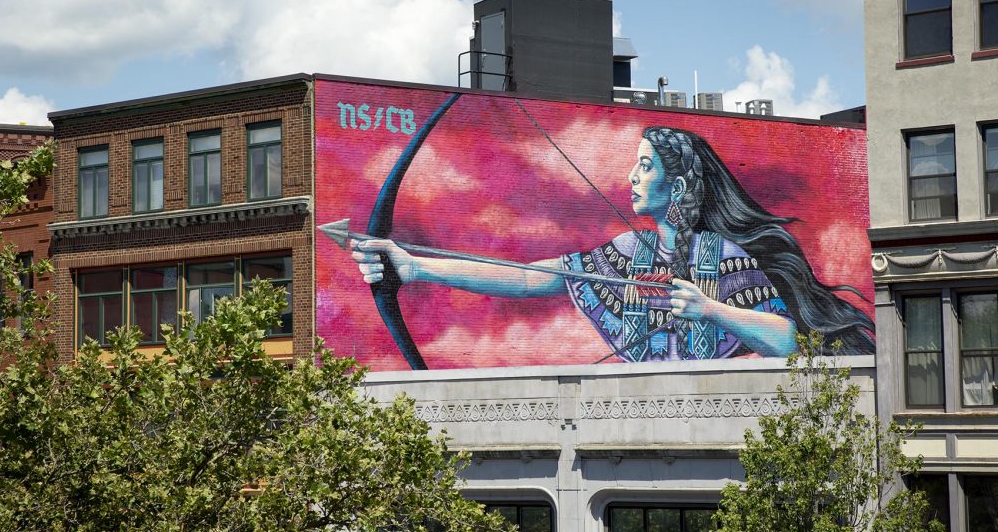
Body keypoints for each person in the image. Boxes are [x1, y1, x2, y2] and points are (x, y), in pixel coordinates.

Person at [351, 126, 875, 361]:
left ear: (680, 184)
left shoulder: (723, 256)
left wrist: (710, 309)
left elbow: (786, 340)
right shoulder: (630, 253)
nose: (631, 176)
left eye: (645, 166)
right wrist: (415, 268)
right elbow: (534, 277)